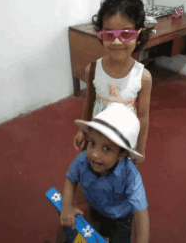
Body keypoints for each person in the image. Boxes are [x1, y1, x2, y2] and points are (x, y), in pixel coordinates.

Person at [74, 0, 152, 167]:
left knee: (119, 175)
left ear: (139, 34)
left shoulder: (143, 77)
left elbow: (143, 117)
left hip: (124, 138)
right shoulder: (92, 69)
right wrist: (83, 131)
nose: (117, 42)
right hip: (98, 136)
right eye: (109, 34)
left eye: (126, 34)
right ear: (100, 34)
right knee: (95, 169)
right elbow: (89, 101)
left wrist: (141, 148)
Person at [60, 103, 150, 243]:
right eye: (92, 143)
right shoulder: (82, 160)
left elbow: (141, 216)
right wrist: (66, 206)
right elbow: (71, 178)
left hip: (121, 219)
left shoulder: (131, 176)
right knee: (96, 235)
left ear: (122, 154)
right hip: (95, 209)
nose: (95, 155)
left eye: (107, 149)